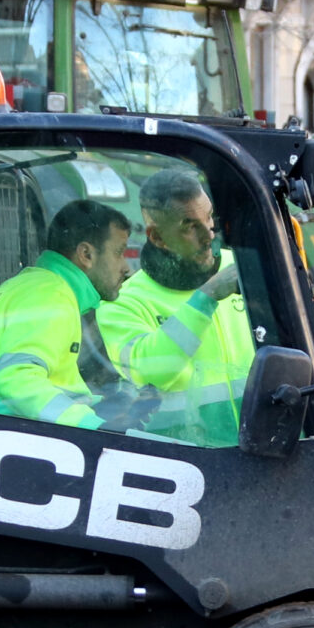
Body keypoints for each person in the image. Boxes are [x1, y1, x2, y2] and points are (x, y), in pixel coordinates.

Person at [0, 198, 147, 430]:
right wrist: (93, 426)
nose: (126, 268)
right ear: (86, 254)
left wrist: (105, 406)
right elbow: (17, 380)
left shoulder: (37, 286)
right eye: (119, 253)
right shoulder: (52, 296)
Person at [97, 166, 256, 447]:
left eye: (209, 218)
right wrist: (206, 297)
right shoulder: (124, 302)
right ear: (157, 237)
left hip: (261, 447)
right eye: (189, 226)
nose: (208, 236)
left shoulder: (243, 269)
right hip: (185, 457)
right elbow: (150, 372)